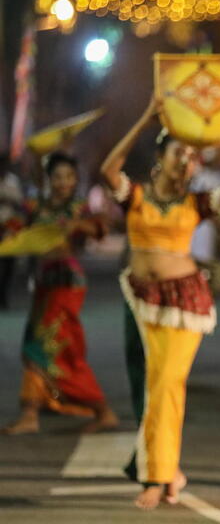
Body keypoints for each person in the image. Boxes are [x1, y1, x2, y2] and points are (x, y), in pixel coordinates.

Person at [100, 96, 220, 510]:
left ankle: (156, 476)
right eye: (179, 153)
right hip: (141, 297)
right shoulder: (134, 196)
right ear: (161, 157)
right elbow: (107, 170)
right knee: (157, 386)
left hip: (184, 300)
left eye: (192, 156)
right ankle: (168, 472)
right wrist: (145, 118)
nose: (187, 161)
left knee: (165, 384)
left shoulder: (195, 203)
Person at [1, 153, 119, 435]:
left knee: (39, 349)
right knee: (51, 348)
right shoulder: (35, 207)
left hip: (67, 284)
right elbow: (13, 227)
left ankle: (31, 413)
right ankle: (101, 411)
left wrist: (77, 226)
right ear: (48, 179)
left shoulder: (78, 208)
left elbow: (100, 227)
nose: (63, 182)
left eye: (68, 177)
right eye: (57, 177)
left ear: (75, 180)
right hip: (44, 283)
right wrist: (10, 235)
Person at [0, 153, 23, 309]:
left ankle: (4, 296)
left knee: (9, 264)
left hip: (9, 227)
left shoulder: (13, 181)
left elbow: (20, 199)